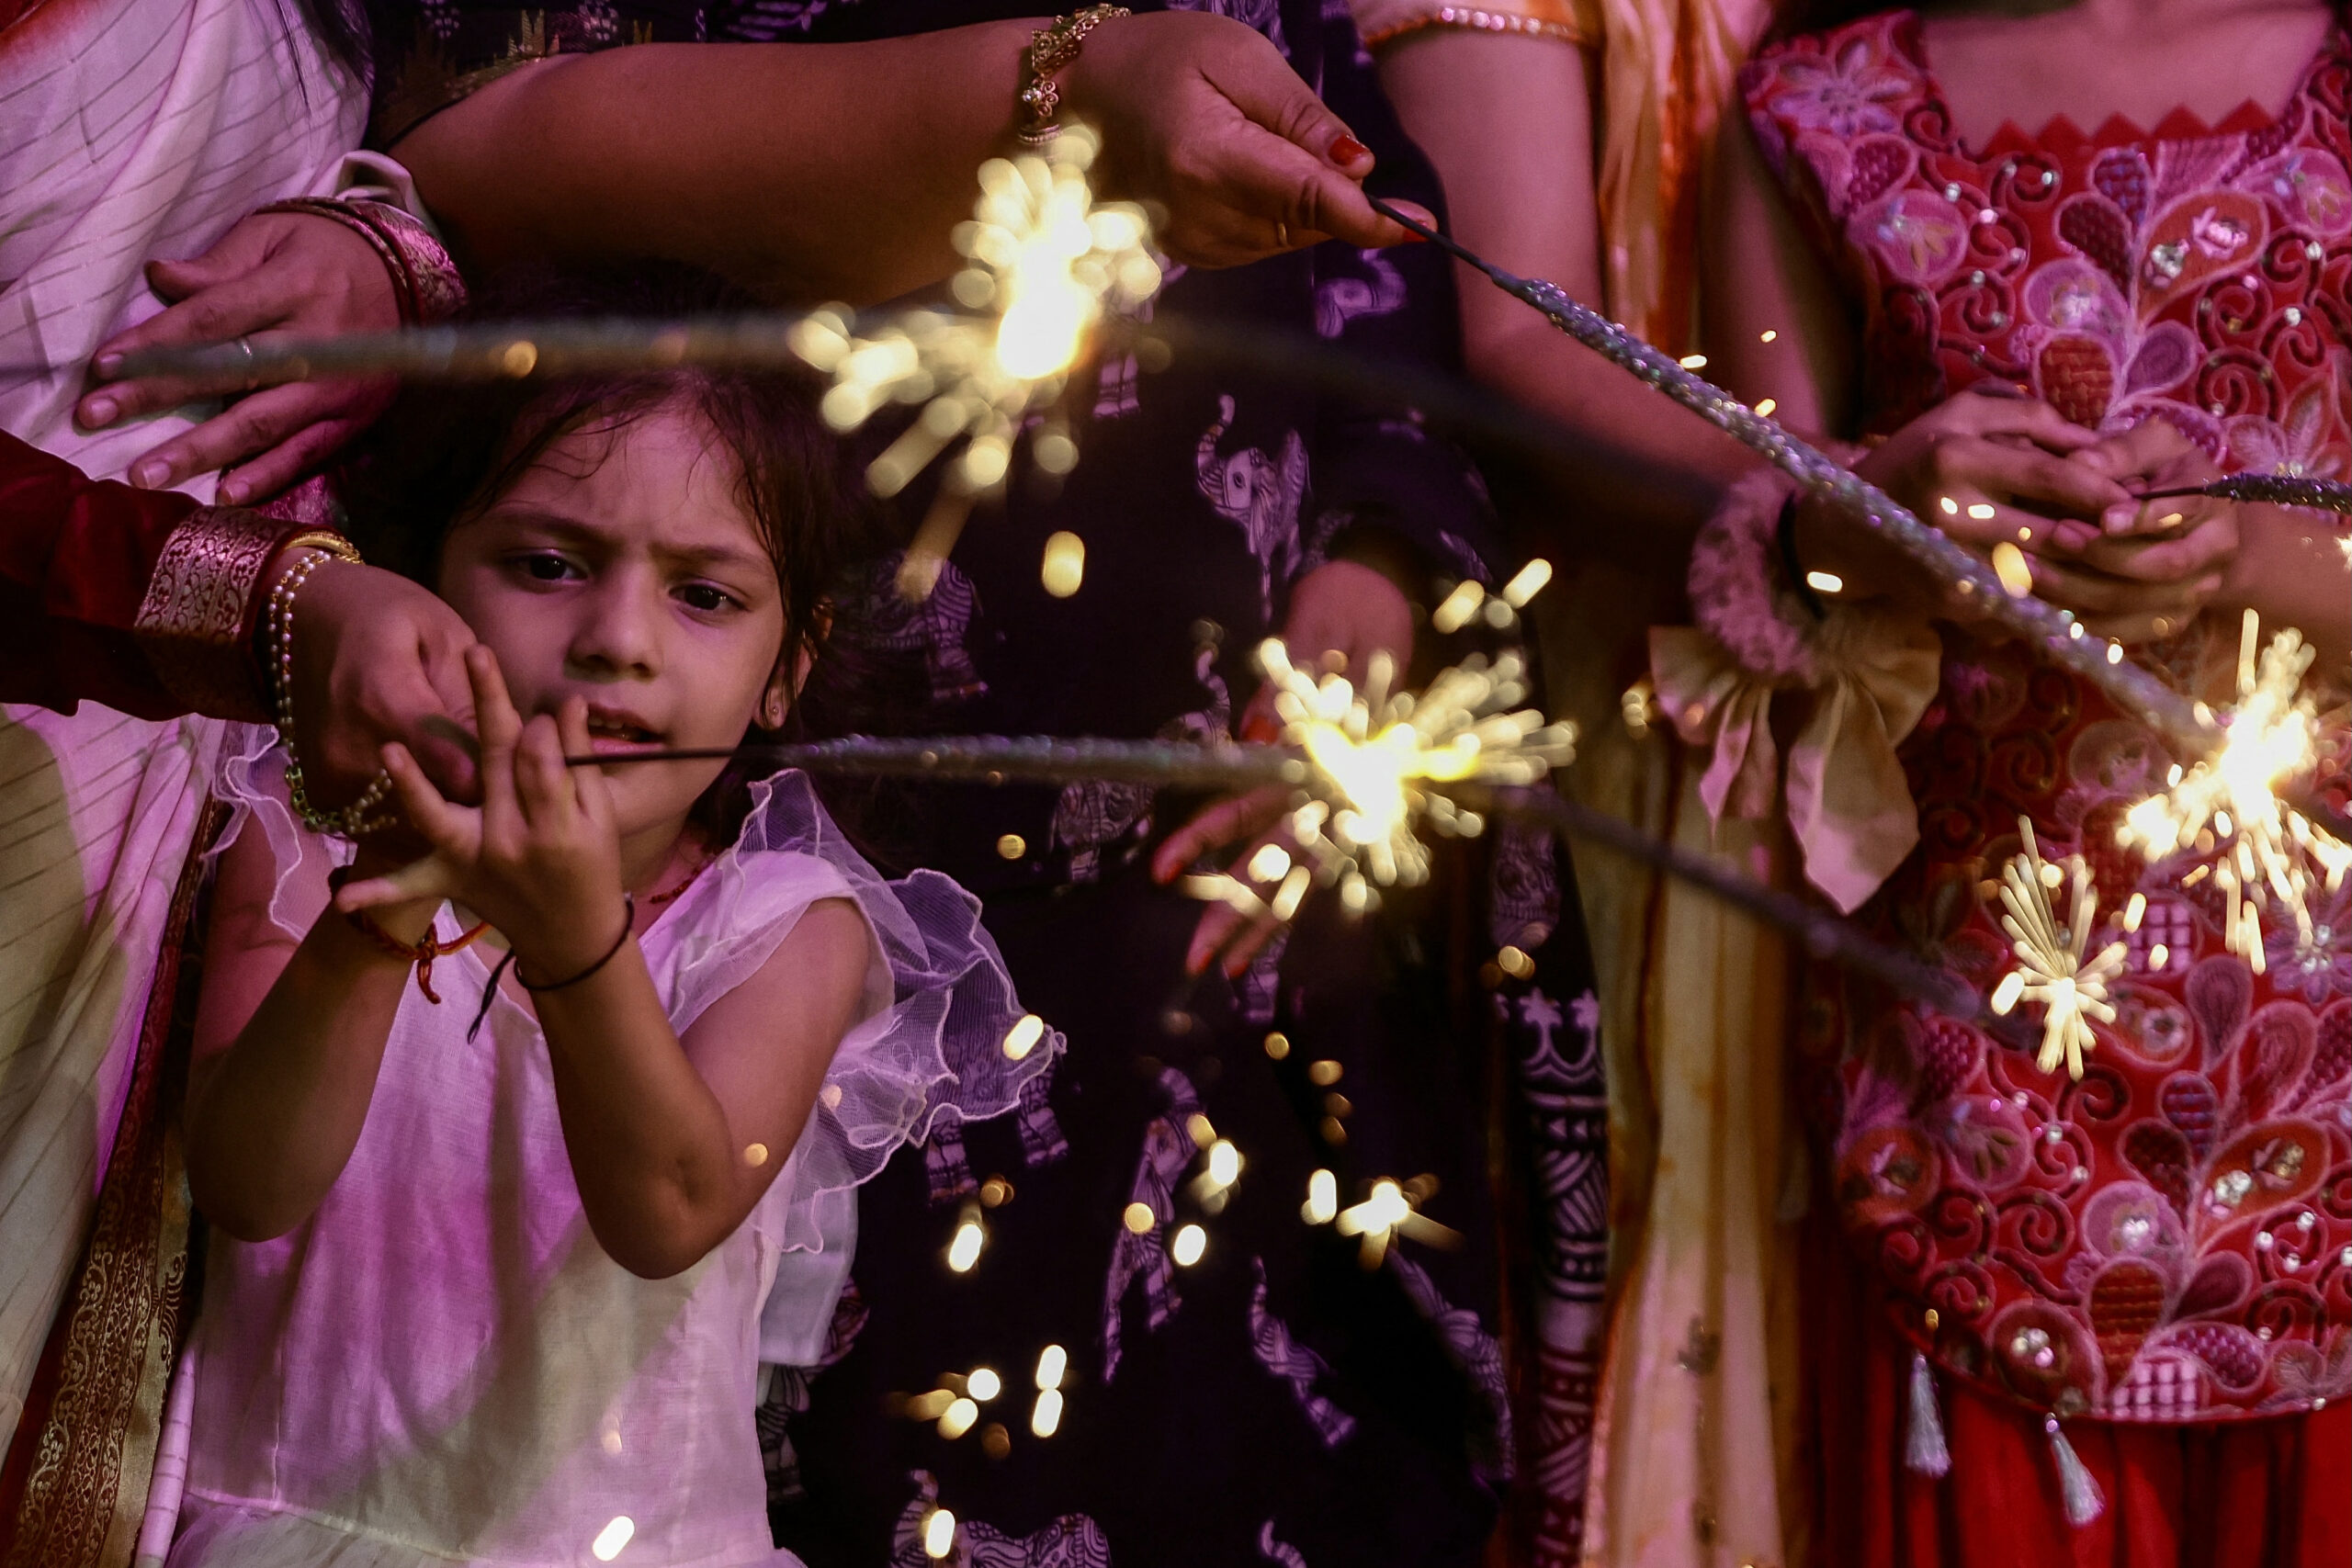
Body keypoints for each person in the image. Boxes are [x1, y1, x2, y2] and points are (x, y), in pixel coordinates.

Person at [157, 318, 1051, 1566]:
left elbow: (671, 1204)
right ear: (422, 588)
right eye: (546, 564)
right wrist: (381, 921)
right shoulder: (301, 832)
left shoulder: (788, 928)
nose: (618, 638)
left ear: (785, 669)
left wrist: (575, 942)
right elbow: (247, 1187)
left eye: (704, 595)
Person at [1675, 0, 2352, 1558]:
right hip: (1981, 1119)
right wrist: (1871, 520)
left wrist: (2253, 556)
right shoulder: (1816, 115)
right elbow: (1743, 560)